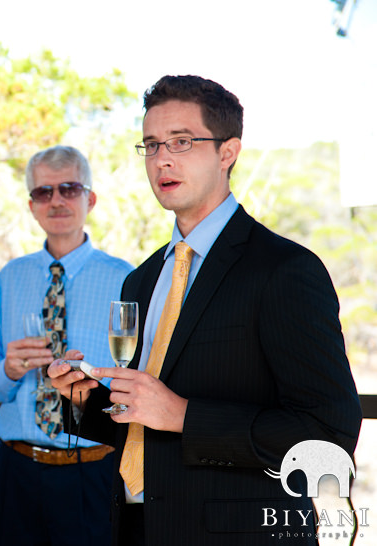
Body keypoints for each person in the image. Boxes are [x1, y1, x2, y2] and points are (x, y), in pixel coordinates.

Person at [49, 75, 362, 545]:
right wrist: (84, 401)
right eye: (152, 145)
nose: (163, 159)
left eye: (182, 141)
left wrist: (183, 415)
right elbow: (142, 420)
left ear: (227, 152)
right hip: (135, 529)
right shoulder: (142, 278)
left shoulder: (285, 269)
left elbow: (329, 434)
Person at [0, 146, 133, 546]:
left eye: (69, 188)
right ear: (31, 206)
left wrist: (92, 384)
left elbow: (143, 376)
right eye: (44, 192)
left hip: (94, 472)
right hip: (16, 471)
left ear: (90, 199)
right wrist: (8, 370)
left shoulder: (127, 280)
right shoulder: (8, 279)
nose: (57, 200)